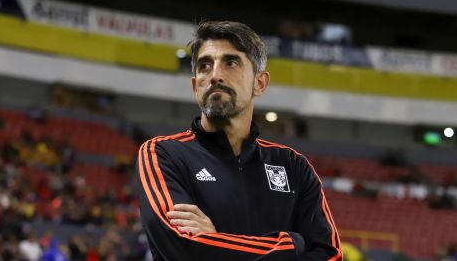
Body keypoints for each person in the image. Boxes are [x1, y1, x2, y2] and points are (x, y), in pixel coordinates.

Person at [136, 20, 342, 261]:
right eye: (204, 66)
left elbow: (330, 256)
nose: (215, 76)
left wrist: (214, 242)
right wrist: (290, 245)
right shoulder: (163, 154)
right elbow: (184, 247)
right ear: (195, 86)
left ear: (259, 83)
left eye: (230, 62)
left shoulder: (294, 166)